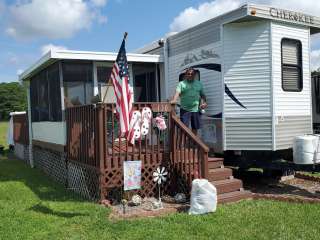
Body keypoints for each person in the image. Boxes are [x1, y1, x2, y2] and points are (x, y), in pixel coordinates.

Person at [171, 68, 207, 135]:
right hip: (185, 109)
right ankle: (183, 144)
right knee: (184, 128)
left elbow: (202, 95)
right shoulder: (181, 84)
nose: (190, 75)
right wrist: (174, 100)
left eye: (192, 74)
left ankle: (193, 143)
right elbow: (177, 93)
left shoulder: (199, 84)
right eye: (188, 74)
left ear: (194, 75)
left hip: (196, 109)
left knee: (195, 128)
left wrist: (204, 103)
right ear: (186, 75)